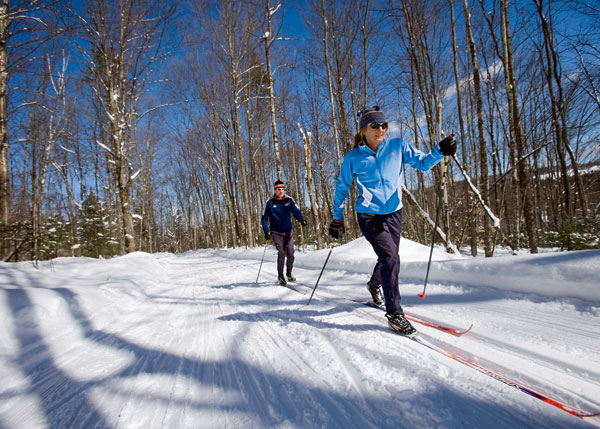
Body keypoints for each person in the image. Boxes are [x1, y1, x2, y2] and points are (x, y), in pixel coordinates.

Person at [328, 105, 456, 336]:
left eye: (384, 125)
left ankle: (374, 285)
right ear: (364, 130)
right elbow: (341, 187)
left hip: (395, 212)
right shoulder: (354, 157)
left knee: (388, 258)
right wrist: (337, 218)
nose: (381, 129)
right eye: (375, 125)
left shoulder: (397, 146)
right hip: (368, 215)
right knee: (390, 256)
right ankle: (395, 313)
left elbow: (423, 163)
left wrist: (440, 150)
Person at [262, 179, 307, 286]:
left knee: (291, 254)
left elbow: (296, 211)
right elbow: (264, 218)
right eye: (278, 189)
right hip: (276, 232)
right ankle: (280, 275)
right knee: (281, 253)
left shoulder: (289, 200)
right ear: (275, 190)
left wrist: (301, 219)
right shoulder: (270, 203)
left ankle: (289, 274)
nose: (281, 191)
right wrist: (266, 231)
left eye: (282, 189)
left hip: (288, 231)